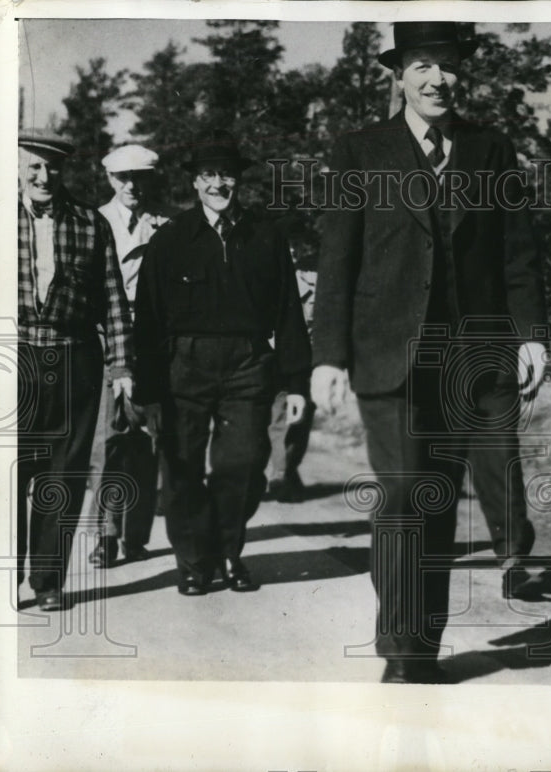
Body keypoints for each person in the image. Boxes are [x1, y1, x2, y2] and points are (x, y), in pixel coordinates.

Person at [310, 21, 548, 683]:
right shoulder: (361, 150)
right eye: (422, 65)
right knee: (404, 496)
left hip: (468, 357)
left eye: (446, 65)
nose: (436, 79)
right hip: (387, 354)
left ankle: (422, 646)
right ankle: (401, 651)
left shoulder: (489, 149)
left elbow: (517, 251)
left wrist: (530, 333)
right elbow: (339, 258)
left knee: (436, 500)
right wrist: (327, 355)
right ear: (399, 74)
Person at [133, 130, 311, 596]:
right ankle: (193, 562)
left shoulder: (266, 237)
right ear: (194, 183)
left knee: (245, 461)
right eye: (208, 175)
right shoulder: (169, 240)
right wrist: (149, 392)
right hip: (183, 366)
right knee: (183, 466)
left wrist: (296, 384)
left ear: (239, 180)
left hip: (248, 364)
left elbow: (288, 311)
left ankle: (230, 551)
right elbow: (147, 320)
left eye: (226, 174)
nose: (218, 183)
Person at [16, 131, 134, 611]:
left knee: (62, 476)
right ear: (18, 166)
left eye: (54, 168)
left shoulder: (90, 222)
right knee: (7, 472)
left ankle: (47, 583)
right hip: (12, 358)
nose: (45, 177)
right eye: (35, 166)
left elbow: (113, 299)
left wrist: (122, 366)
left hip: (74, 361)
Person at [90, 144, 171, 568]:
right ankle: (105, 535)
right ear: (110, 179)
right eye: (123, 177)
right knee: (109, 443)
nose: (132, 186)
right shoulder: (95, 222)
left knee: (147, 444)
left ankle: (136, 536)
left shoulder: (166, 225)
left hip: (153, 344)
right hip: (106, 342)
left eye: (140, 177)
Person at [266, 266, 317, 503]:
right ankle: (280, 473)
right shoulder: (282, 275)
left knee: (302, 415)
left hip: (311, 357)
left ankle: (286, 468)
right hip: (282, 355)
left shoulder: (317, 280)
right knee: (281, 414)